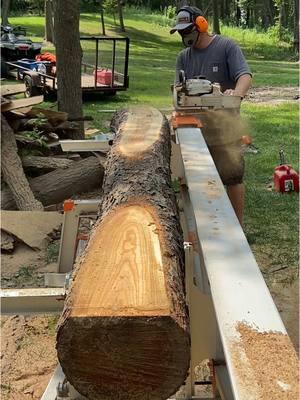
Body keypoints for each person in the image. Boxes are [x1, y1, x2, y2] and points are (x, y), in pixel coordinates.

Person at [170, 6, 252, 225]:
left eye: (187, 30)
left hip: (225, 127)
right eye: (180, 31)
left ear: (201, 25)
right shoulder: (183, 57)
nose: (183, 35)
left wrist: (237, 94)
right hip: (195, 129)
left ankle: (238, 226)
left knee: (232, 176)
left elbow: (244, 75)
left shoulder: (226, 47)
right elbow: (179, 91)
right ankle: (206, 224)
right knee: (196, 180)